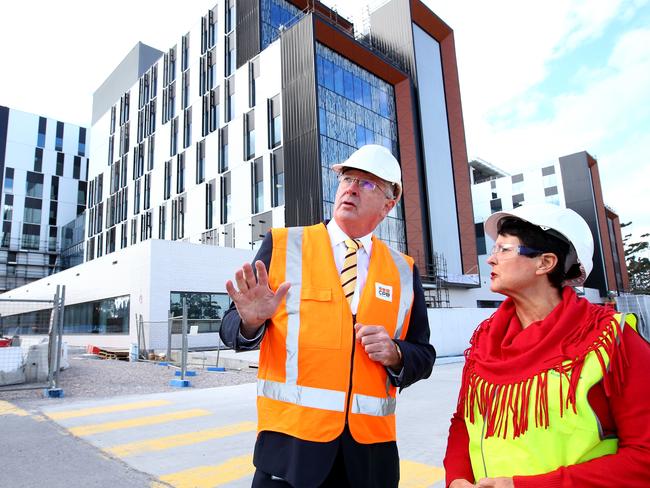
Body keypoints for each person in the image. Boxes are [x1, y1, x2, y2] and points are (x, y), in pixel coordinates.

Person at [220, 144, 436, 487]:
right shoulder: (283, 245)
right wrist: (251, 321)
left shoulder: (403, 270)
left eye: (367, 184)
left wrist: (397, 354)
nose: (351, 188)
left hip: (369, 460)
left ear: (388, 204)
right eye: (347, 178)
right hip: (290, 452)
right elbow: (231, 328)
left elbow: (423, 354)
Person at [443, 203, 650, 487]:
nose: (491, 260)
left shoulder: (614, 341)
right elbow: (463, 423)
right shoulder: (483, 342)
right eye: (494, 250)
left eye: (504, 249)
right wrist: (457, 478)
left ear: (545, 263)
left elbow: (643, 458)